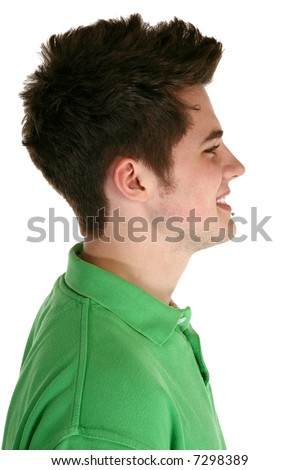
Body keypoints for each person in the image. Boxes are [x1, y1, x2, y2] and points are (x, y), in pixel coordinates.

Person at [2, 13, 245, 450]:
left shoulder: (113, 314)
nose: (235, 167)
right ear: (134, 181)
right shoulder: (103, 405)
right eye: (210, 150)